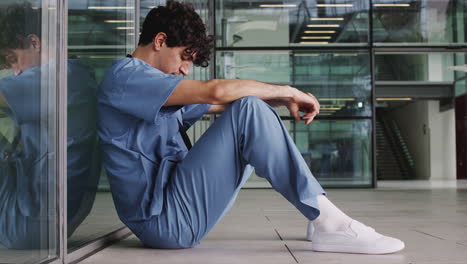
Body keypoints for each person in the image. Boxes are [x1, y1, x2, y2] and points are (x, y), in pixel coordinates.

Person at [98, 1, 405, 254]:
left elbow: (228, 106)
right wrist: (288, 90)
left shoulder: (158, 87)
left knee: (248, 107)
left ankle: (319, 212)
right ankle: (329, 223)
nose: (184, 69)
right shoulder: (125, 78)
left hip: (175, 200)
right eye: (184, 58)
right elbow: (216, 92)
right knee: (248, 107)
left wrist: (283, 101)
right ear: (160, 41)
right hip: (163, 222)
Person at [0, 2, 99, 248]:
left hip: (31, 221)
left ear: (35, 43)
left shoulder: (58, 77)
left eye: (13, 59)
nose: (15, 71)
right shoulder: (77, 75)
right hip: (47, 216)